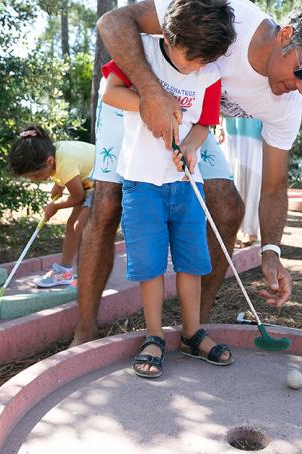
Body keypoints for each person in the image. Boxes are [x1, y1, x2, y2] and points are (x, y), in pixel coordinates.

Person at [71, 0, 302, 347]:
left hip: (194, 123)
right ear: (286, 36)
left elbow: (273, 186)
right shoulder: (224, 12)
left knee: (227, 208)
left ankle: (194, 329)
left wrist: (271, 251)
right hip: (134, 97)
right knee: (106, 203)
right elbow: (113, 21)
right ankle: (84, 330)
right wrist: (151, 93)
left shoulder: (287, 106)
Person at [99, 0, 235, 378]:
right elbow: (110, 92)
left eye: (205, 60)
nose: (196, 66)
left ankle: (191, 333)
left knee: (191, 261)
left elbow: (205, 122)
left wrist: (190, 146)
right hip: (142, 182)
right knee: (151, 264)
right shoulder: (142, 53)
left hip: (186, 184)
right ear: (169, 36)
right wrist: (153, 100)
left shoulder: (209, 72)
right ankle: (155, 336)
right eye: (190, 57)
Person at [7, 126, 94, 288]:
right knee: (73, 226)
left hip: (107, 183)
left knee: (80, 226)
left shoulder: (64, 163)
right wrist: (59, 185)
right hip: (89, 183)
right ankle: (64, 271)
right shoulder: (54, 152)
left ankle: (93, 271)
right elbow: (69, 170)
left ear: (49, 161)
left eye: (36, 175)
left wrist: (56, 206)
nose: (35, 179)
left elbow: (78, 197)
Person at [221, 116, 264, 245]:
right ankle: (231, 233)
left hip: (257, 127)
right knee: (233, 180)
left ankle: (252, 232)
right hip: (232, 128)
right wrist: (220, 126)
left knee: (254, 181)